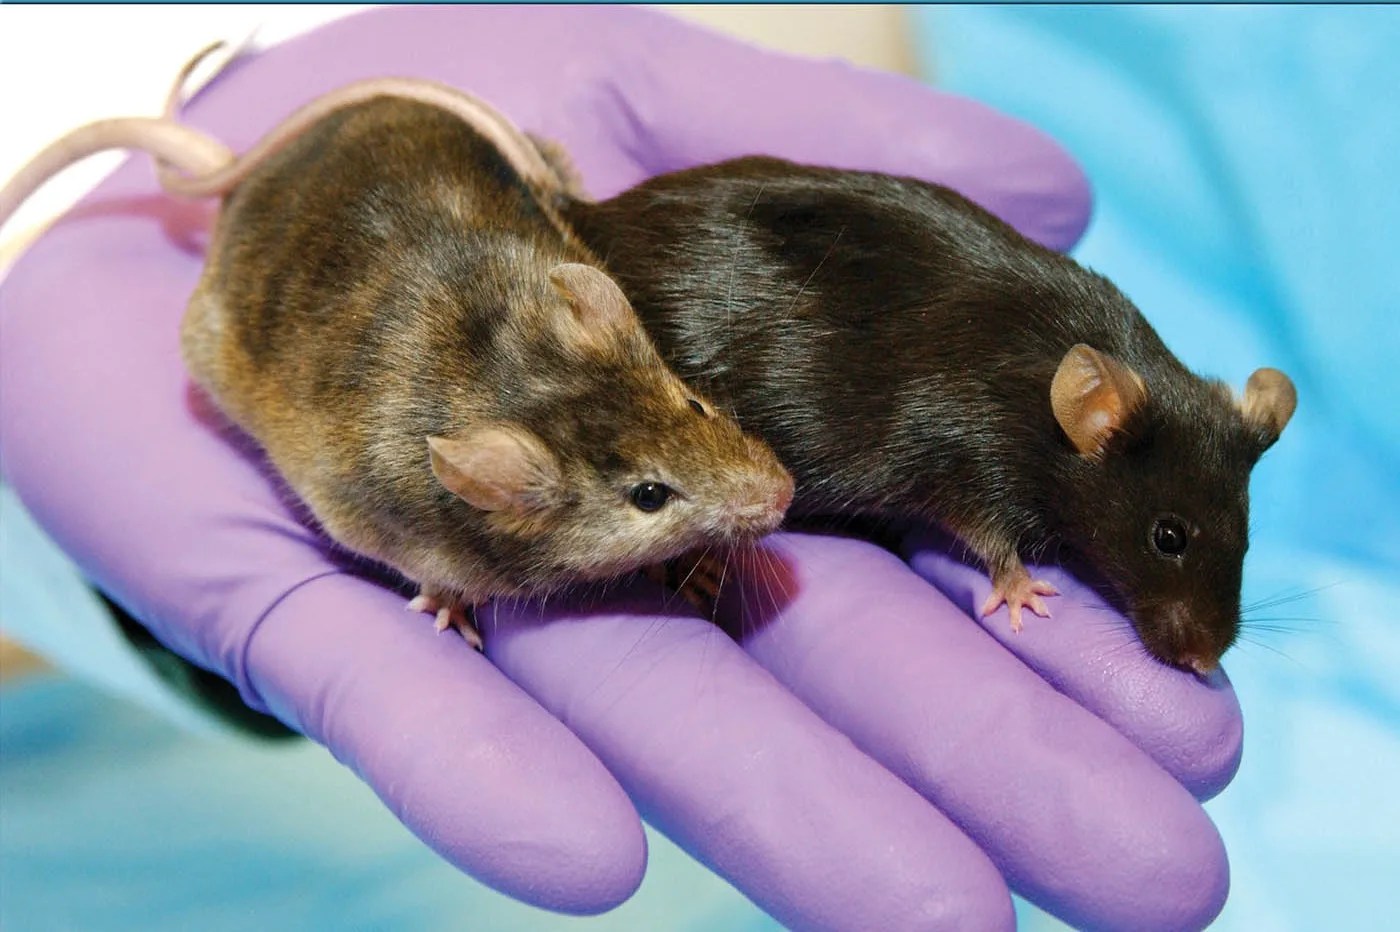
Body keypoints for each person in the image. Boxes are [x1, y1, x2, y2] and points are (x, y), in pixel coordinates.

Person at [0, 7, 1241, 930]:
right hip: (282, 262)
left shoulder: (587, 323)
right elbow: (353, 497)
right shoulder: (432, 487)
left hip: (409, 159)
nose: (765, 494)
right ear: (501, 494)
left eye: (697, 410)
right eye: (657, 495)